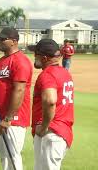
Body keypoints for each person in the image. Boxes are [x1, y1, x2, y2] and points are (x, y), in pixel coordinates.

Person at [0, 27, 33, 170]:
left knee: (12, 157)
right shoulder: (0, 61)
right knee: (4, 157)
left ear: (14, 41)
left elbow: (19, 90)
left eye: (2, 39)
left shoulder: (20, 61)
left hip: (13, 120)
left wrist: (8, 118)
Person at [28, 39, 74, 170]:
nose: (34, 57)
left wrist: (43, 127)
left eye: (35, 54)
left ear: (43, 58)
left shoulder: (47, 75)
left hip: (51, 133)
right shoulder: (65, 73)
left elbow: (50, 101)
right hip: (61, 132)